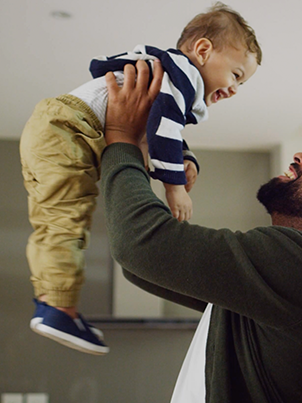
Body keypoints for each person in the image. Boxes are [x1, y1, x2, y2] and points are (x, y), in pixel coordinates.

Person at [100, 60, 302, 402]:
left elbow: (139, 246)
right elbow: (144, 267)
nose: (301, 155)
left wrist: (121, 139)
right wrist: (149, 153)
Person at [20, 2, 261, 355]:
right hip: (69, 129)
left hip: (57, 129)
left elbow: (163, 128)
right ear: (204, 50)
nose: (236, 88)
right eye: (237, 75)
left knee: (55, 218)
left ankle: (52, 303)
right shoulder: (180, 77)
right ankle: (57, 307)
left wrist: (185, 157)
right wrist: (173, 188)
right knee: (64, 220)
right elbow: (163, 132)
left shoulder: (170, 76)